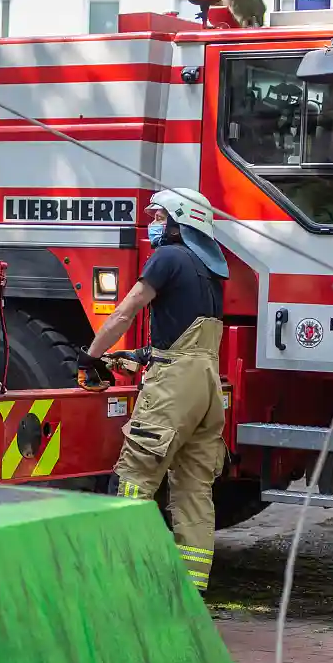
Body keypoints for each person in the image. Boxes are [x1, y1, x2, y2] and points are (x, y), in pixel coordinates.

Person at [76, 187, 229, 593]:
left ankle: (120, 584)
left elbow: (126, 310)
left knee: (134, 477)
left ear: (181, 220)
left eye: (159, 216)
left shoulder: (167, 257)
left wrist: (90, 356)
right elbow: (188, 335)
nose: (152, 224)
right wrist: (144, 354)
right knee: (194, 491)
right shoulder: (212, 270)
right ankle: (191, 593)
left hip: (174, 388)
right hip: (208, 387)